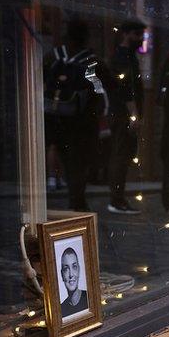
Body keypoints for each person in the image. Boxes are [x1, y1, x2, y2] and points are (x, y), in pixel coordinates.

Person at [43, 19, 105, 211]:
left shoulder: (52, 56)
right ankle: (76, 200)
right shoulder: (91, 61)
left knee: (60, 153)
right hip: (80, 122)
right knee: (77, 163)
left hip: (54, 117)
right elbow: (99, 89)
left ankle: (64, 189)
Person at [106, 21, 147, 215]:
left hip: (124, 114)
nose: (140, 39)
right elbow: (125, 89)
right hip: (122, 115)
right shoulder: (122, 57)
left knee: (123, 155)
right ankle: (116, 199)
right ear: (126, 34)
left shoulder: (128, 56)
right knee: (121, 156)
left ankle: (118, 198)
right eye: (137, 34)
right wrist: (134, 114)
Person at [59, 247, 88, 318]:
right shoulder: (60, 310)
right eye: (66, 269)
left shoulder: (89, 298)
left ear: (79, 270)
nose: (71, 274)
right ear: (62, 274)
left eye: (74, 267)